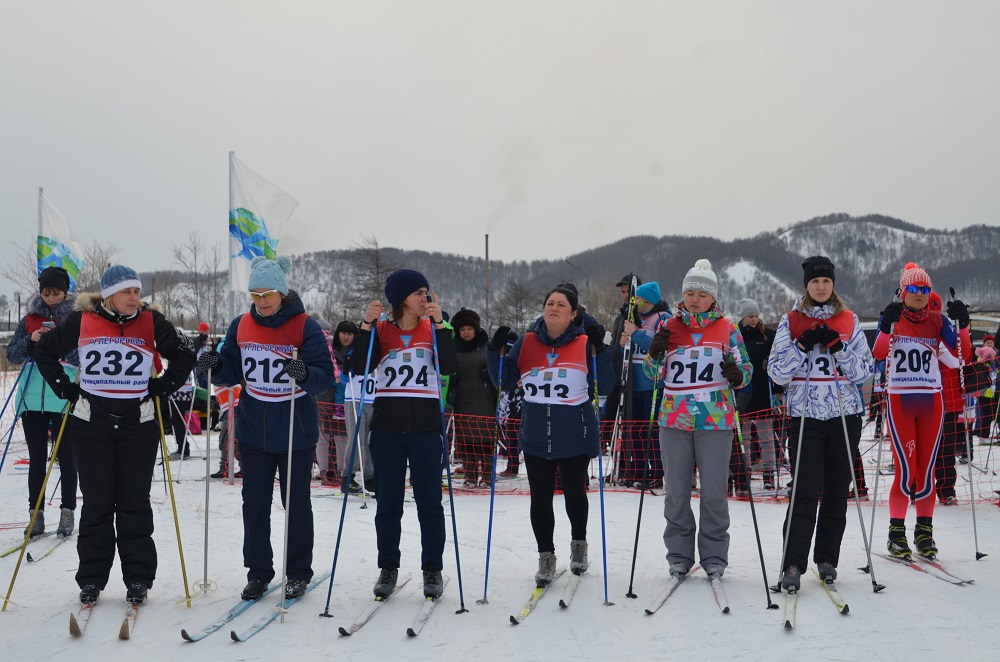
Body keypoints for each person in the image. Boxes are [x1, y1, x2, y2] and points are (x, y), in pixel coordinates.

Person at [34, 265, 196, 605]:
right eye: (127, 292)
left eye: (137, 292)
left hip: (138, 423)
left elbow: (186, 352)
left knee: (134, 502)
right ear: (108, 295)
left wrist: (165, 384)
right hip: (92, 423)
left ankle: (138, 578)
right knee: (97, 503)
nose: (134, 298)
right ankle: (91, 578)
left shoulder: (153, 321)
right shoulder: (82, 320)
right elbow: (45, 351)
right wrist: (64, 388)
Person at [199, 255, 334, 601]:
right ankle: (258, 572)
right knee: (254, 504)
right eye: (256, 294)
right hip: (254, 429)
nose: (262, 301)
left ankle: (299, 572)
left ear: (282, 293)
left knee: (296, 504)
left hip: (294, 428)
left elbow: (324, 376)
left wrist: (303, 373)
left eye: (268, 294)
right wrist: (212, 365)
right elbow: (230, 368)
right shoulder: (241, 324)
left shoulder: (305, 326)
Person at [488, 285, 613, 585]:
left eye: (561, 304)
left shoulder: (584, 343)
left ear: (573, 314)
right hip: (535, 438)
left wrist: (603, 349)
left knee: (574, 492)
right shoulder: (526, 343)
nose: (554, 308)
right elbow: (503, 381)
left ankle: (579, 546)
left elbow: (606, 384)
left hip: (575, 436)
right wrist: (494, 351)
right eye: (549, 303)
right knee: (540, 499)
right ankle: (546, 557)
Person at [766, 256, 874, 589]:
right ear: (807, 286)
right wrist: (802, 345)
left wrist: (838, 346)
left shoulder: (849, 320)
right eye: (815, 282)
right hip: (805, 414)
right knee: (804, 489)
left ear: (833, 284)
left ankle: (827, 558)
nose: (821, 286)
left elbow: (864, 370)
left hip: (844, 414)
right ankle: (793, 562)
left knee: (838, 489)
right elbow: (776, 371)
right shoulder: (791, 320)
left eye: (826, 281)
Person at [350, 269, 457, 600]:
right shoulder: (381, 330)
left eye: (427, 292)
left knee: (430, 504)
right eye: (418, 293)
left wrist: (440, 326)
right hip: (387, 429)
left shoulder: (434, 327)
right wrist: (365, 326)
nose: (425, 298)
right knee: (388, 504)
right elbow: (357, 366)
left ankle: (432, 569)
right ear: (400, 299)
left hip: (425, 429)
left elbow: (450, 366)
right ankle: (388, 566)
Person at [644, 259, 751, 581]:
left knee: (714, 494)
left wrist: (738, 374)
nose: (694, 299)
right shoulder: (669, 327)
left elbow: (745, 372)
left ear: (713, 298)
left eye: (701, 294)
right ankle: (678, 555)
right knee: (676, 492)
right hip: (674, 421)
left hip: (715, 421)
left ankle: (714, 556)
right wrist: (654, 353)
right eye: (689, 292)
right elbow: (652, 375)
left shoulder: (727, 329)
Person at [872, 262, 969, 561]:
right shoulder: (893, 317)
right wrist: (886, 328)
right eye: (913, 289)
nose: (918, 294)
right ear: (903, 291)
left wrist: (962, 325)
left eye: (924, 290)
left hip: (931, 402)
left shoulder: (938, 321)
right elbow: (877, 353)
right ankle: (896, 533)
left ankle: (924, 533)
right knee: (906, 472)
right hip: (901, 401)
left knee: (926, 473)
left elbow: (958, 359)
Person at [5, 266, 79, 538]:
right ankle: (35, 516)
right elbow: (12, 354)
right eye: (46, 293)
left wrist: (57, 345)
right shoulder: (28, 319)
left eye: (56, 293)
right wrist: (30, 342)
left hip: (63, 396)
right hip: (32, 398)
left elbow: (84, 356)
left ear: (65, 292)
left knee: (67, 456)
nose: (51, 298)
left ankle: (67, 513)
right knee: (37, 459)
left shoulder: (76, 318)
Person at [618, 281, 671, 488]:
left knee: (654, 431)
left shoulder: (662, 318)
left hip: (653, 384)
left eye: (638, 299)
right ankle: (639, 471)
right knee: (637, 431)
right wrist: (625, 341)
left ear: (647, 300)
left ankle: (657, 472)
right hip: (634, 384)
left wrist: (634, 334)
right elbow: (633, 348)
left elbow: (656, 346)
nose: (634, 302)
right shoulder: (636, 320)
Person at [735, 298, 783, 492]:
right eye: (750, 316)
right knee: (743, 437)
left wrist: (778, 389)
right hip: (744, 391)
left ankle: (768, 474)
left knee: (766, 436)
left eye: (756, 316)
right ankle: (743, 473)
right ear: (743, 317)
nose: (754, 320)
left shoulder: (766, 336)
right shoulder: (735, 335)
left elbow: (776, 362)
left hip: (763, 391)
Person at [449, 308, 497, 488]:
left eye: (469, 329)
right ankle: (469, 476)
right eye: (462, 329)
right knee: (466, 440)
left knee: (485, 440)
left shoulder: (486, 346)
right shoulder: (453, 347)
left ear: (476, 329)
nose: (466, 332)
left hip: (486, 400)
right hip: (463, 400)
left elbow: (499, 366)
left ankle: (486, 476)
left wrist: (490, 374)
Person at [333, 320, 375, 493]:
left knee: (370, 441)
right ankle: (347, 477)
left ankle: (370, 477)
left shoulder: (377, 351)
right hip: (354, 399)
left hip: (373, 400)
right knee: (356, 438)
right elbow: (342, 379)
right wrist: (346, 370)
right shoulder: (354, 351)